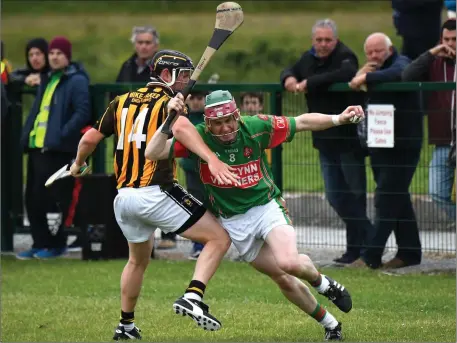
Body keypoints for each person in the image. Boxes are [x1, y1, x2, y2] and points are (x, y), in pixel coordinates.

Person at [146, 89, 363, 341]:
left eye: (229, 120)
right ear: (207, 123)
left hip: (266, 206)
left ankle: (324, 284)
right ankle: (331, 324)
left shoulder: (256, 126)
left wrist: (339, 118)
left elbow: (301, 121)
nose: (225, 128)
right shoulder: (198, 139)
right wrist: (168, 121)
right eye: (217, 123)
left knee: (289, 262)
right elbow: (152, 152)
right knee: (282, 278)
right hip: (234, 221)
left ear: (237, 116)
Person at [69, 50, 237, 340]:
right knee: (219, 238)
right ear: (166, 75)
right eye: (182, 75)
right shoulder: (170, 104)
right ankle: (193, 296)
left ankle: (126, 325)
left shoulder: (120, 102)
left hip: (123, 199)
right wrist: (211, 158)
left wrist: (78, 164)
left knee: (137, 261)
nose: (186, 81)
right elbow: (182, 128)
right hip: (156, 192)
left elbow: (88, 139)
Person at [280, 18, 373, 264]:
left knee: (355, 195)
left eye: (327, 40)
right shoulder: (307, 58)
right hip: (323, 141)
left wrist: (309, 83)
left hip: (349, 141)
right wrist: (289, 79)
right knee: (334, 196)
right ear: (313, 40)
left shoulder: (345, 56)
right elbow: (289, 70)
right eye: (319, 40)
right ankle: (367, 238)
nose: (322, 45)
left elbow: (345, 74)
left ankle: (361, 248)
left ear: (336, 40)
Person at [349, 33, 423, 269]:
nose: (373, 56)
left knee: (386, 197)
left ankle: (370, 256)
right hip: (380, 144)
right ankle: (410, 253)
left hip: (403, 145)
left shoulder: (401, 62)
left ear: (389, 50)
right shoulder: (369, 72)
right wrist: (363, 75)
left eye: (378, 51)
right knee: (397, 197)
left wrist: (365, 76)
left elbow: (400, 74)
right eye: (369, 52)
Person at [17, 36, 91, 260]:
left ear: (67, 56)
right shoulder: (47, 78)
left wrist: (61, 135)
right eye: (52, 53)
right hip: (38, 147)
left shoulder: (76, 80)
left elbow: (82, 112)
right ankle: (40, 242)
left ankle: (57, 244)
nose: (54, 57)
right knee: (32, 198)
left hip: (58, 149)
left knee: (57, 198)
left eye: (59, 53)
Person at [402, 19, 456, 222]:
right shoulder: (434, 62)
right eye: (446, 39)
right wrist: (431, 53)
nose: (450, 44)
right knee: (437, 192)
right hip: (443, 140)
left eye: (455, 40)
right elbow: (407, 76)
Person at [181, 91, 208, 260]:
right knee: (195, 207)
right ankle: (198, 246)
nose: (196, 102)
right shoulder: (184, 118)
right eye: (193, 98)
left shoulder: (210, 118)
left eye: (200, 98)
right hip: (191, 170)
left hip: (209, 170)